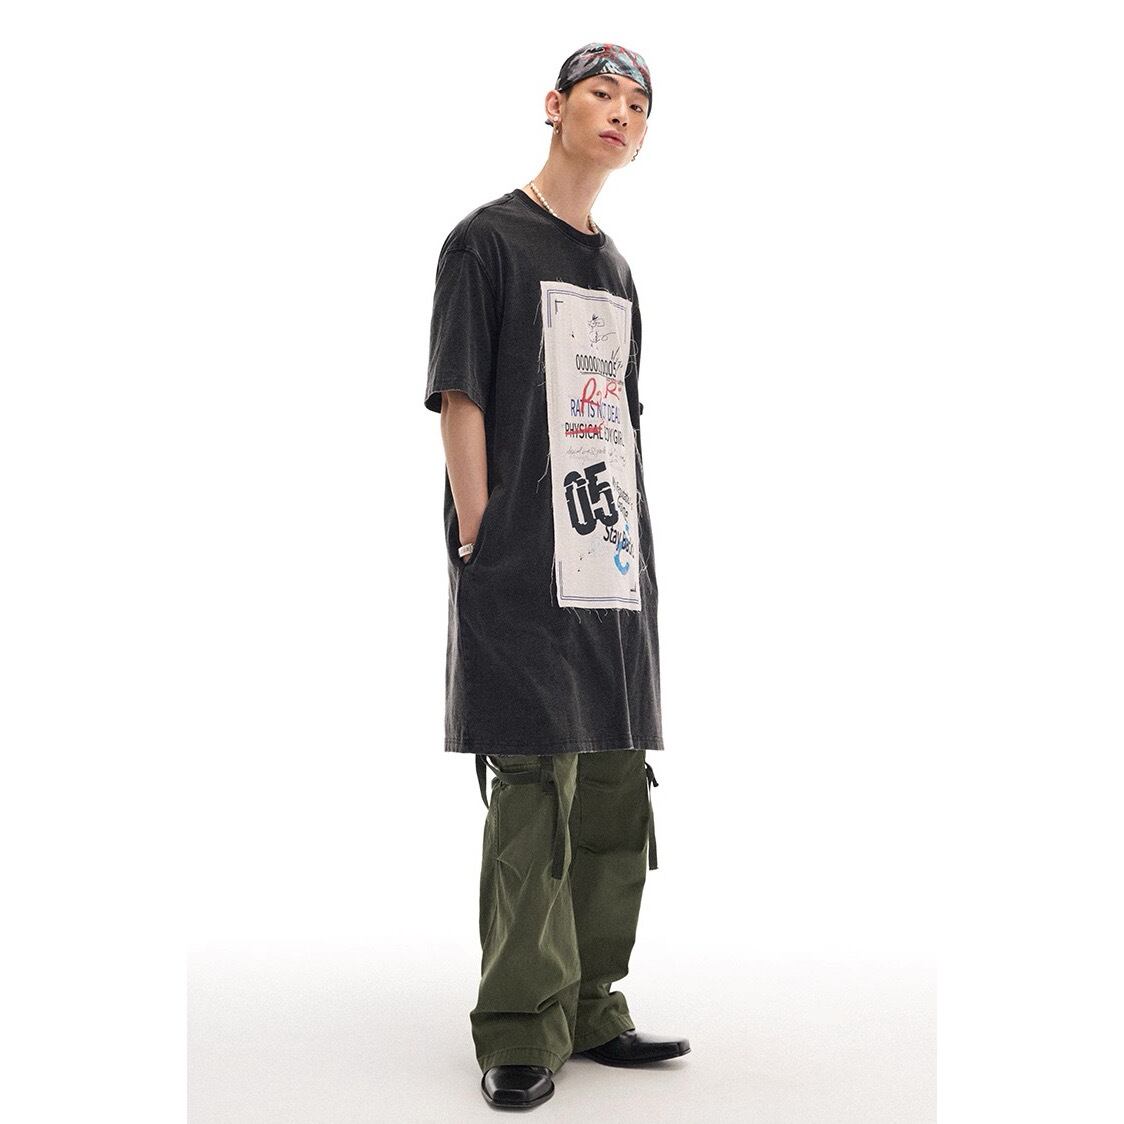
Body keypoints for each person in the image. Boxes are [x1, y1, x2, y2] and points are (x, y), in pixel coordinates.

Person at [424, 42, 690, 1110]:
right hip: (521, 555)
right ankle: (518, 1026)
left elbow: (619, 418)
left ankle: (590, 1004)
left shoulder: (614, 267)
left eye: (638, 105)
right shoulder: (484, 241)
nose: (620, 114)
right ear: (555, 105)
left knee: (616, 784)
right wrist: (480, 533)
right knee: (534, 785)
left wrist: (636, 557)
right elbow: (461, 394)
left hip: (613, 557)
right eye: (601, 94)